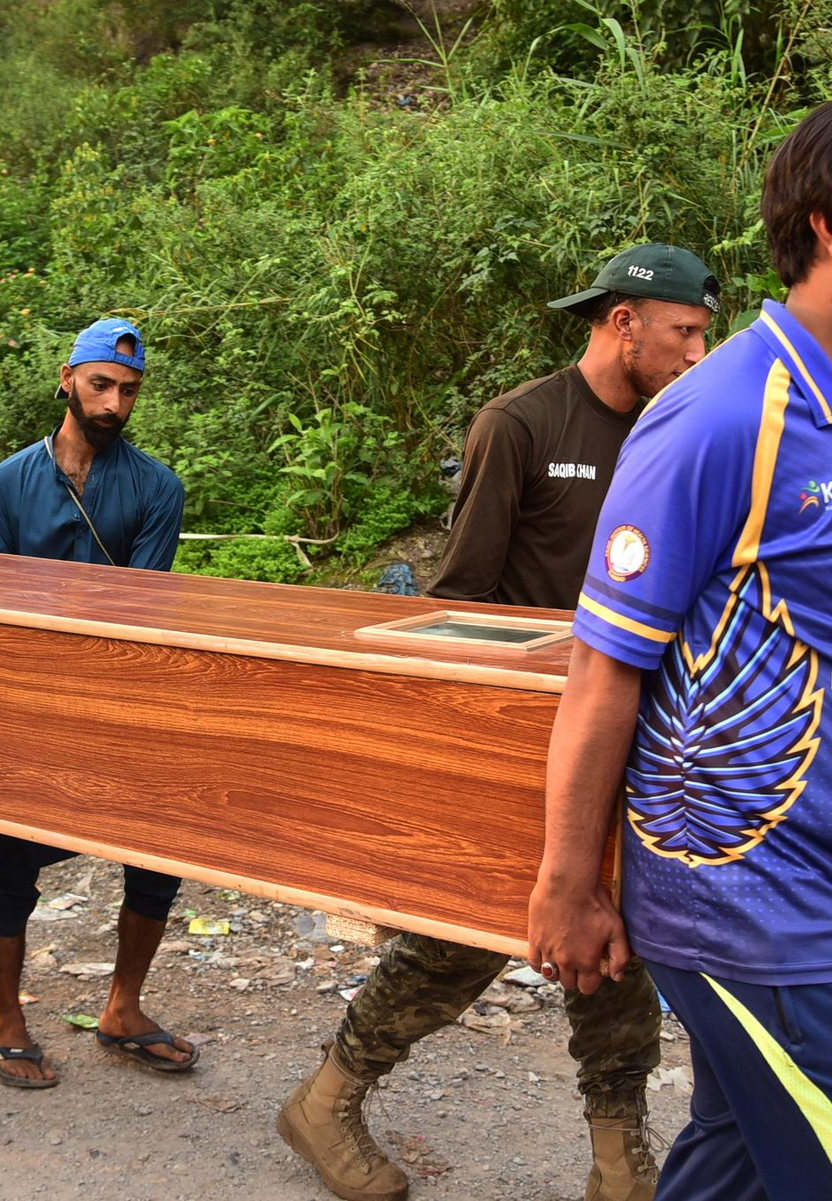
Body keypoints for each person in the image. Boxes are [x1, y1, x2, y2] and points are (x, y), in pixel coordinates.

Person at [279, 246, 720, 1201]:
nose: (696, 353)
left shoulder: (678, 429)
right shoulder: (520, 424)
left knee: (616, 938)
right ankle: (328, 1098)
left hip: (633, 731)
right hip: (517, 735)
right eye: (683, 332)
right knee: (471, 937)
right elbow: (458, 597)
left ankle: (616, 1159)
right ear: (623, 323)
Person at [528, 101, 832, 1201]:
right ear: (829, 225)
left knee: (740, 1159)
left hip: (821, 887)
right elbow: (603, 666)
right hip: (753, 906)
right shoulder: (718, 415)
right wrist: (570, 883)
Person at [0, 318, 189, 1087]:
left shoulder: (159, 487)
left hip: (122, 702)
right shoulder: (5, 484)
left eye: (129, 390)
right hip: (25, 706)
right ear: (67, 376)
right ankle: (7, 1018)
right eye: (102, 383)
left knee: (158, 860)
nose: (115, 402)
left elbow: (139, 609)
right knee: (10, 866)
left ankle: (122, 1007)